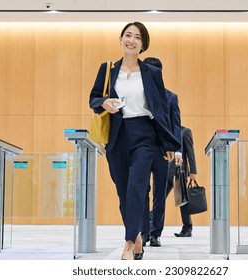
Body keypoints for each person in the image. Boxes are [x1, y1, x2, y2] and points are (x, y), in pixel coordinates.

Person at [89, 22, 180, 260]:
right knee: (123, 191)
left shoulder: (152, 73)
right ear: (120, 39)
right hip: (118, 135)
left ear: (143, 44)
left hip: (145, 135)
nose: (131, 40)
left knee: (137, 187)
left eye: (137, 37)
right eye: (128, 35)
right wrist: (103, 103)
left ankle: (129, 243)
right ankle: (137, 236)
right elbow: (93, 98)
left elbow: (161, 110)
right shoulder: (107, 69)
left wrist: (169, 144)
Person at [140, 57, 182, 247]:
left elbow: (176, 125)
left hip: (163, 151)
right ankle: (143, 230)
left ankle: (156, 232)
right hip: (140, 149)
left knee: (159, 193)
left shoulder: (171, 97)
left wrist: (177, 149)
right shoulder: (137, 96)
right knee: (141, 191)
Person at [166, 126, 197, 237]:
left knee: (182, 202)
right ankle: (151, 227)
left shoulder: (185, 131)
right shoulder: (165, 130)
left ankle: (187, 228)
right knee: (159, 200)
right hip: (165, 172)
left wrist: (193, 172)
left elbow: (190, 152)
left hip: (179, 172)